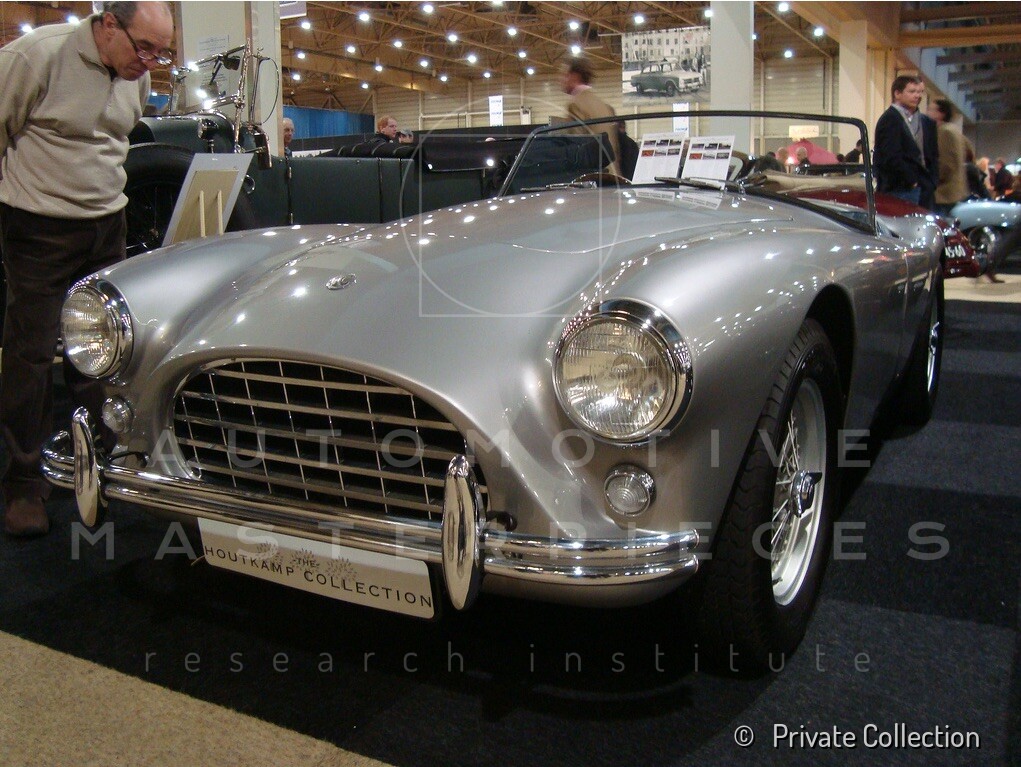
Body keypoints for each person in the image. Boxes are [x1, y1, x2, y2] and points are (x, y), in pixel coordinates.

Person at [0, 1, 174, 537]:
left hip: (106, 225)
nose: (149, 62)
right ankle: (23, 484)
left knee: (102, 354)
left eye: (161, 53)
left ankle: (98, 465)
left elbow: (116, 140)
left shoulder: (136, 74)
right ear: (108, 25)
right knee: (30, 354)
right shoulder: (36, 57)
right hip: (38, 226)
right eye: (144, 48)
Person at [873, 75, 938, 209]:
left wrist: (932, 181)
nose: (917, 96)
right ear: (897, 93)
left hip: (925, 189)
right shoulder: (889, 119)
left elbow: (933, 155)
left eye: (919, 92)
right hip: (899, 188)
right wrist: (911, 180)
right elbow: (890, 156)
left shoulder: (927, 122)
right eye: (912, 91)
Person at [562, 57, 620, 175]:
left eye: (565, 75)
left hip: (592, 177)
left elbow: (576, 150)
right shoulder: (602, 104)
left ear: (575, 76)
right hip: (611, 174)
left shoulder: (575, 105)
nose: (562, 80)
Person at [926, 99, 968, 217]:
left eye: (930, 109)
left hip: (944, 193)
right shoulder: (955, 130)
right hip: (954, 191)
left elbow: (945, 164)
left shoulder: (945, 131)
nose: (927, 113)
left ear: (941, 113)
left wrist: (931, 181)